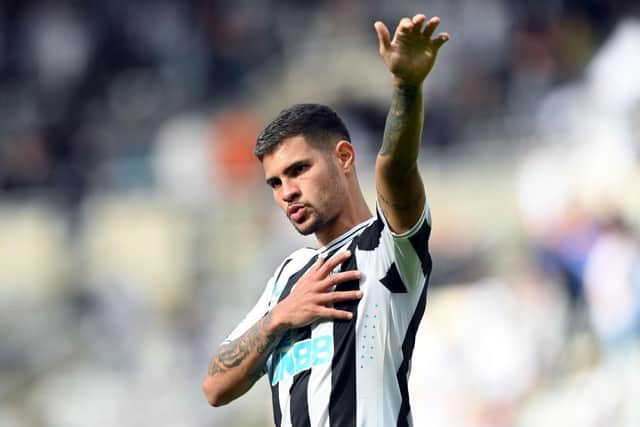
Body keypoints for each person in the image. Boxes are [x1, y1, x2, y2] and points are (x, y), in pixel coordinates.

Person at [202, 12, 449, 427]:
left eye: (299, 170)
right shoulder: (289, 277)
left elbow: (397, 170)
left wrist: (406, 86)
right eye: (275, 183)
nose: (287, 192)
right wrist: (281, 316)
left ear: (344, 157)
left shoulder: (388, 248)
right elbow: (214, 386)